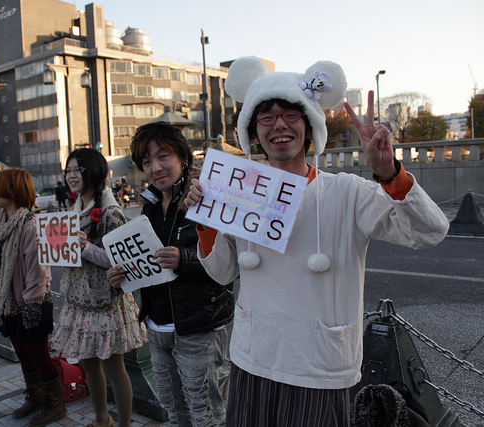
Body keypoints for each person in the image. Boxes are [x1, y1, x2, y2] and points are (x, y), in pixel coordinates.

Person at [184, 57, 449, 426]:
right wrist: (206, 221)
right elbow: (223, 272)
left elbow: (429, 231)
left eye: (291, 114)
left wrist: (390, 173)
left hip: (318, 366)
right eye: (266, 117)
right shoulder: (240, 193)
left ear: (309, 126)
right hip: (253, 356)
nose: (279, 124)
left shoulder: (347, 192)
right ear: (253, 133)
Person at [107, 122, 235, 427]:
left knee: (205, 413)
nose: (155, 168)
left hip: (199, 327)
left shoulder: (205, 197)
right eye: (146, 162)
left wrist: (183, 259)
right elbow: (149, 263)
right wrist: (123, 274)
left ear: (182, 157)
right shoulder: (149, 205)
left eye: (163, 156)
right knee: (173, 410)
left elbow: (229, 264)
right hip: (157, 326)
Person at [50, 148, 147, 427]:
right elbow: (68, 255)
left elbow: (120, 260)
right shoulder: (74, 209)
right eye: (67, 170)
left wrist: (85, 247)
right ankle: (102, 420)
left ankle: (124, 424)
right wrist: (50, 246)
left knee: (114, 369)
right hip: (79, 300)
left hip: (104, 302)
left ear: (93, 171)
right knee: (89, 365)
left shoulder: (110, 212)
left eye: (77, 170)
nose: (71, 176)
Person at [0, 167, 65, 426]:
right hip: (9, 303)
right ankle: (35, 395)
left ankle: (55, 404)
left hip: (31, 304)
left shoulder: (30, 226)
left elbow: (38, 271)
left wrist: (32, 304)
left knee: (39, 355)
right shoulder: (0, 218)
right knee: (23, 354)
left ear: (14, 191)